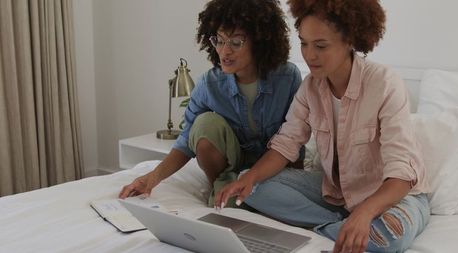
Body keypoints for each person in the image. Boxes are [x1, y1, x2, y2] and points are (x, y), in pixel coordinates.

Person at [215, 0, 430, 252]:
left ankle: (339, 225)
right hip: (337, 192)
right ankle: (339, 225)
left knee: (389, 241)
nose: (309, 55)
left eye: (320, 46)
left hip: (395, 197)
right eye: (304, 43)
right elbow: (286, 144)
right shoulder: (310, 87)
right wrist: (250, 178)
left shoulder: (384, 83)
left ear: (350, 40)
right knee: (250, 186)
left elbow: (402, 173)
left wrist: (365, 212)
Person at [119, 0, 302, 208]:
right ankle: (222, 185)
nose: (224, 52)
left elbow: (294, 140)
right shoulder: (209, 84)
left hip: (274, 167)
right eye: (219, 40)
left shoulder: (287, 78)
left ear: (260, 42)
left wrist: (295, 184)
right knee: (204, 124)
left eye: (235, 42)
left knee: (272, 201)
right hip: (233, 166)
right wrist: (151, 179)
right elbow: (187, 139)